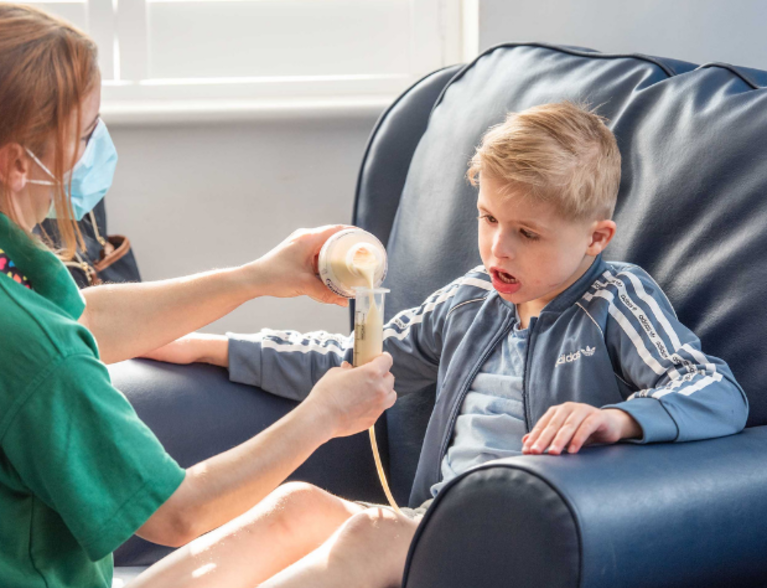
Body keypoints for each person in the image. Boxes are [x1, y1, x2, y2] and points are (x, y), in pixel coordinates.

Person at [142, 101, 749, 587]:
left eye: (527, 233)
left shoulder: (615, 298)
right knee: (295, 505)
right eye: (488, 219)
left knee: (366, 536)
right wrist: (211, 349)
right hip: (435, 526)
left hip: (523, 548)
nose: (498, 250)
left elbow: (714, 390)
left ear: (596, 238)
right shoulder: (473, 299)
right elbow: (356, 365)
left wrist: (619, 418)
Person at [0, 5, 396, 588]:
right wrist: (324, 414)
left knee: (301, 512)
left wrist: (258, 276)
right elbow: (179, 513)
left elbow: (82, 319)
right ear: (16, 163)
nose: (94, 151)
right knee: (362, 545)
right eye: (85, 135)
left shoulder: (18, 283)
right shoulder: (34, 348)